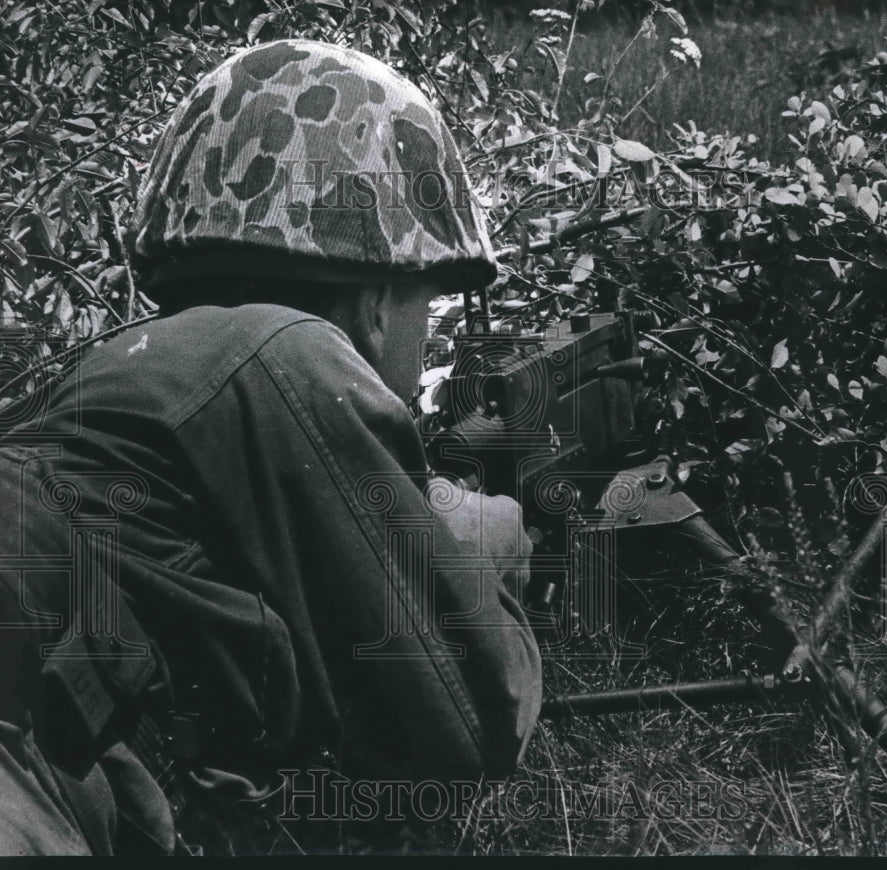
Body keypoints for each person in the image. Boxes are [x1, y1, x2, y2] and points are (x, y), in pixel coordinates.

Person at [0, 40, 542, 855]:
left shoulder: (117, 367)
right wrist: (494, 538)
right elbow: (467, 726)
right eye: (427, 299)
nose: (425, 333)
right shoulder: (289, 352)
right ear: (378, 295)